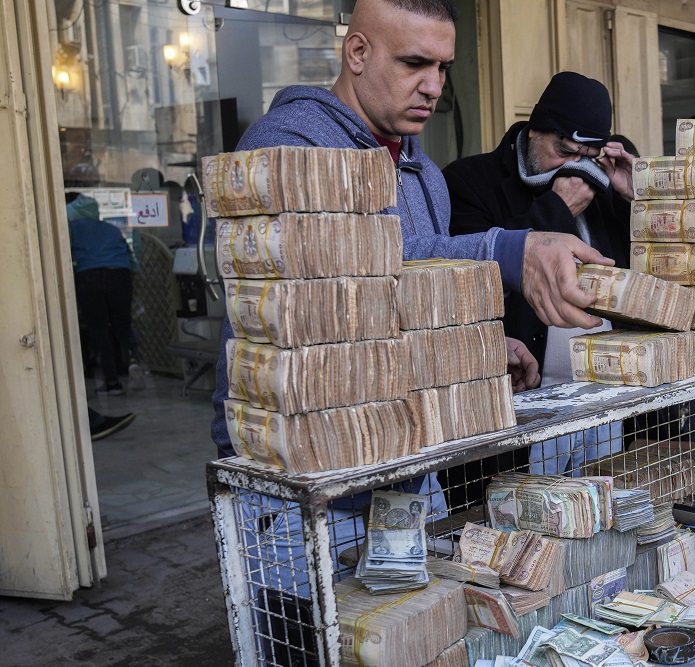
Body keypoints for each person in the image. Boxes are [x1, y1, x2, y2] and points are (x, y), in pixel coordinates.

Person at [210, 0, 613, 460]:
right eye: (415, 63)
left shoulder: (427, 175)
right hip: (295, 444)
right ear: (357, 52)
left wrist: (478, 346)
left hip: (404, 437)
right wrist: (506, 250)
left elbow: (410, 301)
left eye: (443, 67)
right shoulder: (289, 144)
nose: (434, 86)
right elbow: (341, 274)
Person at [443, 71, 635, 475]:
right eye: (563, 151)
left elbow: (643, 276)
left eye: (588, 156)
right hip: (524, 404)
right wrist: (556, 211)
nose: (574, 169)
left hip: (606, 398)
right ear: (533, 132)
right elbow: (469, 280)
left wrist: (638, 197)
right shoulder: (468, 181)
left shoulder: (601, 187)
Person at [66, 193, 140, 395]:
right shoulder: (111, 229)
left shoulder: (72, 228)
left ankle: (112, 382)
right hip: (119, 274)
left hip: (89, 276)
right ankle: (132, 358)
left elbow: (65, 252)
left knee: (99, 329)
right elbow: (130, 251)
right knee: (122, 323)